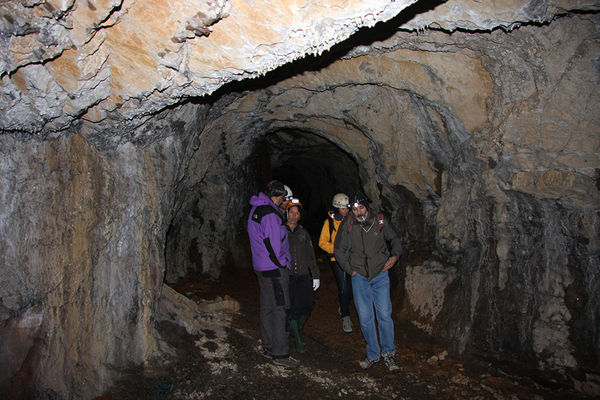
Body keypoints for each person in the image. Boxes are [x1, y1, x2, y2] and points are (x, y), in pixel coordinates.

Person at [333, 191, 402, 372]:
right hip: (360, 277)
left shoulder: (379, 220)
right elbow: (338, 250)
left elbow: (394, 239)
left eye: (361, 207)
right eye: (354, 209)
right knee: (365, 318)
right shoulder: (347, 224)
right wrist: (350, 270)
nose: (358, 212)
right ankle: (373, 354)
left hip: (380, 274)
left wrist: (394, 256)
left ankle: (389, 354)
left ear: (367, 206)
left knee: (384, 315)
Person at [247, 180, 300, 368]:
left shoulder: (256, 209)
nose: (284, 202)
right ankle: (281, 353)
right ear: (277, 196)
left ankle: (268, 346)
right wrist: (283, 263)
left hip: (260, 267)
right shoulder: (270, 214)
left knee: (268, 306)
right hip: (273, 269)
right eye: (284, 198)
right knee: (281, 309)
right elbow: (273, 245)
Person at [285, 198, 320, 353]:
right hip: (288, 276)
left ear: (300, 216)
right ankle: (298, 338)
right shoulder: (280, 231)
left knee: (307, 304)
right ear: (287, 213)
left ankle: (295, 329)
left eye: (296, 213)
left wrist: (316, 274)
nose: (293, 216)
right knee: (293, 307)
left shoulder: (303, 233)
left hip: (304, 275)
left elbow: (311, 255)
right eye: (291, 212)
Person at [318, 193, 353, 333]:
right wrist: (336, 250)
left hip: (352, 259)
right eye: (344, 208)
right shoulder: (330, 222)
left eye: (347, 208)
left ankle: (343, 303)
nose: (346, 211)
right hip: (337, 259)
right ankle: (345, 316)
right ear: (337, 208)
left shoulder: (352, 220)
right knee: (344, 288)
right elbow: (322, 242)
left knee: (352, 289)